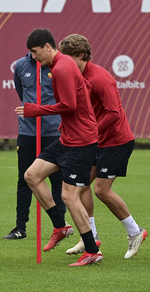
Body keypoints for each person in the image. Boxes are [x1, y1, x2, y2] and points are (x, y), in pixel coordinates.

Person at [15, 28, 101, 266]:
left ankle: (92, 250)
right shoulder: (60, 65)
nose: (33, 57)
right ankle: (61, 227)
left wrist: (37, 109)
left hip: (82, 141)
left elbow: (70, 105)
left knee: (69, 196)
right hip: (67, 139)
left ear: (47, 46)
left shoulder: (62, 67)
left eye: (35, 52)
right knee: (31, 175)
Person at [59, 34, 147, 258]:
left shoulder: (99, 78)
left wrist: (90, 132)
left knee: (100, 189)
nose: (65, 63)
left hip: (116, 141)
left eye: (69, 58)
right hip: (96, 140)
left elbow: (114, 113)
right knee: (80, 184)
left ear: (81, 55)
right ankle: (90, 236)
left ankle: (135, 232)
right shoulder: (76, 76)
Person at [4, 52, 65, 239]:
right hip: (28, 132)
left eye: (37, 48)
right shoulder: (21, 65)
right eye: (32, 49)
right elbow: (21, 92)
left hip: (53, 131)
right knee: (24, 179)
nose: (35, 53)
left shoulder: (57, 67)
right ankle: (20, 228)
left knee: (57, 181)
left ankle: (60, 226)